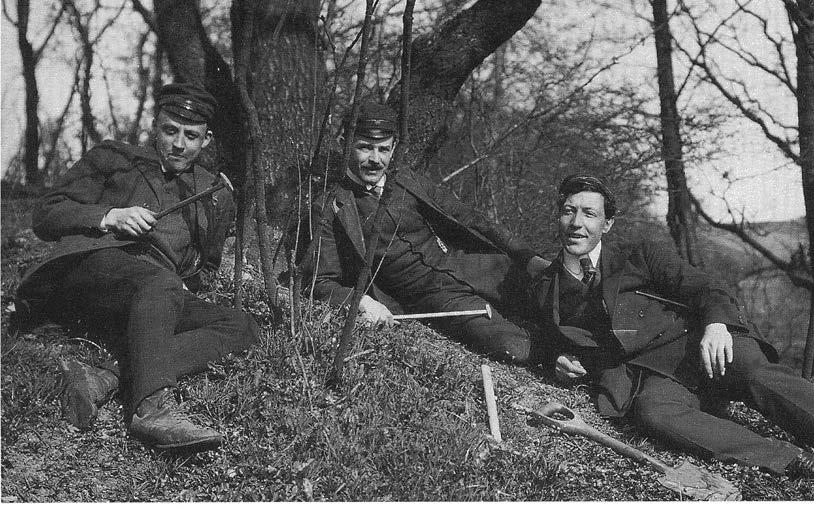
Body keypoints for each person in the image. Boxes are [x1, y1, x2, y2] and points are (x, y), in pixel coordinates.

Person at [528, 174, 814, 499]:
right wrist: (555, 359)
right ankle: (799, 462)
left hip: (700, 343)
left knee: (758, 375)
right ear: (558, 218)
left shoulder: (640, 255)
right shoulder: (547, 288)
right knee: (654, 413)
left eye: (589, 213)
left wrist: (716, 326)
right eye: (568, 211)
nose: (577, 223)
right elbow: (544, 339)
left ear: (606, 225)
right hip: (651, 375)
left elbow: (707, 288)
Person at [15, 83, 260, 453]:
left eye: (191, 136)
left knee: (241, 326)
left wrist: (189, 288)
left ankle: (104, 379)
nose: (179, 144)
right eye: (170, 130)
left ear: (206, 141)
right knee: (160, 283)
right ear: (154, 126)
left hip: (157, 294)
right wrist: (109, 216)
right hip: (92, 272)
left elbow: (206, 265)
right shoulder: (115, 158)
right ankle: (152, 410)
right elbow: (45, 215)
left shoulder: (214, 193)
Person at [300, 102, 547, 364]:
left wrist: (528, 257)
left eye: (384, 149)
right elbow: (320, 280)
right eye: (365, 147)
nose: (375, 159)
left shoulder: (407, 180)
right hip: (438, 300)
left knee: (555, 298)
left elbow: (471, 218)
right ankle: (559, 360)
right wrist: (363, 302)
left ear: (393, 148)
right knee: (514, 346)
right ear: (344, 143)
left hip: (473, 269)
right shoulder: (332, 207)